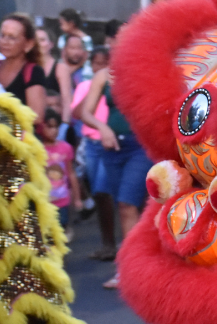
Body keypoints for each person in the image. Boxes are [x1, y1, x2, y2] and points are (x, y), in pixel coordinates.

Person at [79, 67, 153, 288]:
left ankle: (130, 271)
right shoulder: (105, 74)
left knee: (127, 205)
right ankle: (140, 266)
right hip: (112, 147)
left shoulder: (146, 68)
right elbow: (85, 111)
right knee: (128, 209)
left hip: (140, 145)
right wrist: (102, 128)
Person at [71, 47, 117, 262]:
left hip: (109, 143)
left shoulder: (115, 86)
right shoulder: (84, 86)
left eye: (104, 63)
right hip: (91, 144)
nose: (100, 67)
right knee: (99, 195)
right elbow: (77, 113)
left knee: (103, 190)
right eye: (96, 64)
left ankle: (115, 244)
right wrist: (93, 93)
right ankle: (107, 243)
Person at [0, 14, 47, 122]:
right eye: (2, 35)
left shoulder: (33, 72)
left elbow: (36, 116)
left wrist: (5, 123)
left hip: (17, 136)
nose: (5, 41)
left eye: (12, 37)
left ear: (28, 44)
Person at [41, 108, 82, 230]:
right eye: (49, 127)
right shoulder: (36, 149)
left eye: (56, 127)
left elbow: (71, 173)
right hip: (44, 200)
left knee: (61, 226)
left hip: (62, 199)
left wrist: (77, 198)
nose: (54, 131)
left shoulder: (65, 148)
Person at [55, 34, 89, 122]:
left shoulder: (88, 73)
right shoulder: (55, 71)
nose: (76, 52)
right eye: (72, 48)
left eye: (79, 48)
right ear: (64, 50)